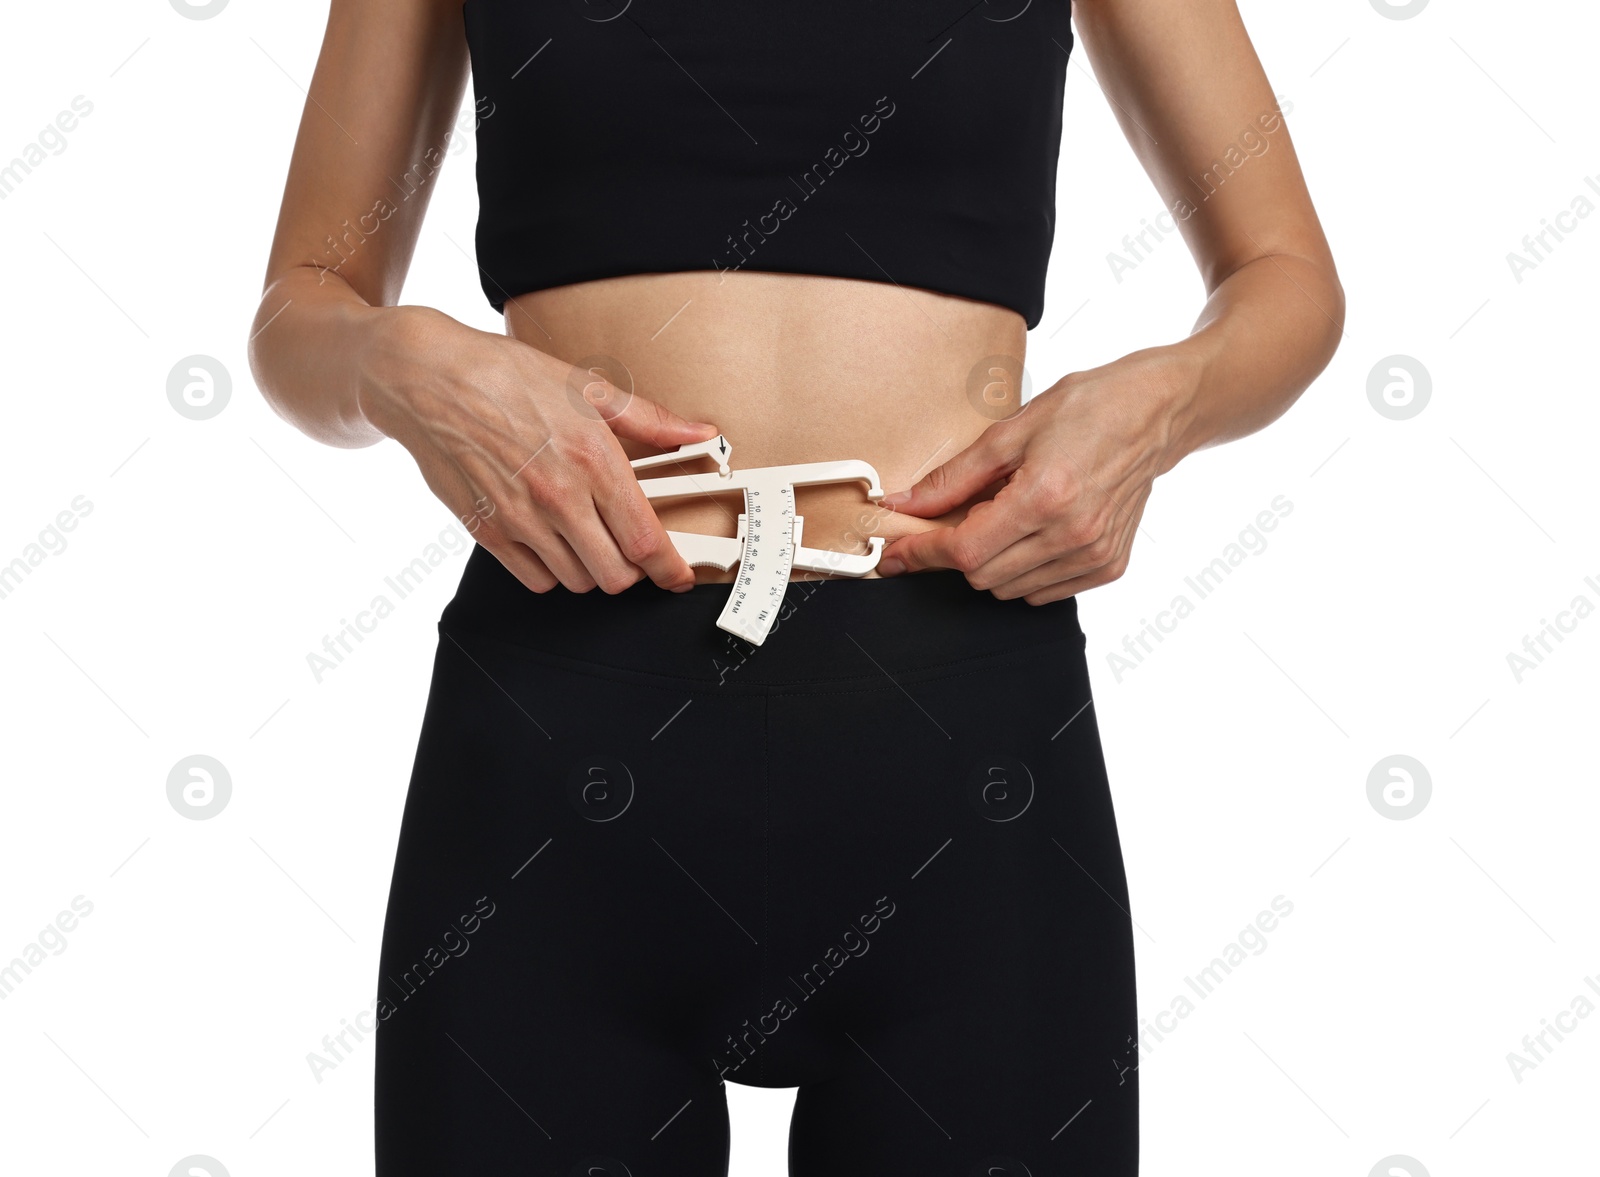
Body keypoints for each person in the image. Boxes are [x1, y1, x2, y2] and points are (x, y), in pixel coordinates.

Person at [248, 0, 1342, 1172]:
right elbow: (303, 301)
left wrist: (1158, 408)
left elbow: (1284, 277)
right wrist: (387, 358)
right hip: (552, 758)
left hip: (964, 753)